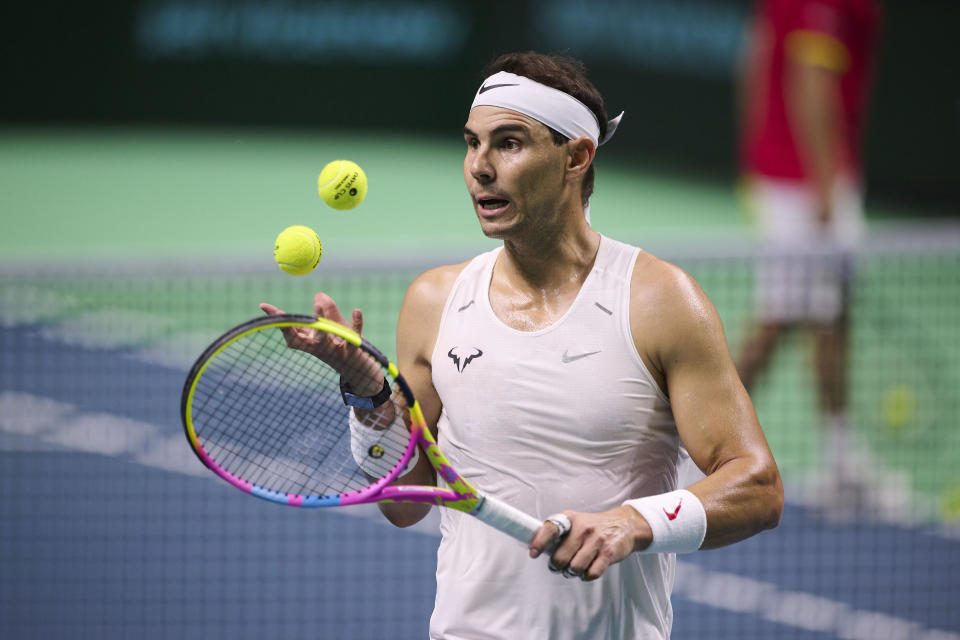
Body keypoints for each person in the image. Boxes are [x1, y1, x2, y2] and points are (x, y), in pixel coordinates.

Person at [263, 52, 783, 640]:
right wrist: (368, 392)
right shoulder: (435, 301)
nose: (479, 168)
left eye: (508, 143)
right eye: (471, 143)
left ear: (576, 157)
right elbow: (404, 503)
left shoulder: (659, 301)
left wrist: (632, 523)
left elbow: (757, 486)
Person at [737, 0, 883, 507]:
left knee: (827, 319)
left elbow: (754, 61)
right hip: (807, 182)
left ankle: (839, 460)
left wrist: (756, 154)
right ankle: (690, 448)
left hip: (786, 173)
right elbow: (811, 81)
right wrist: (825, 186)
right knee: (784, 320)